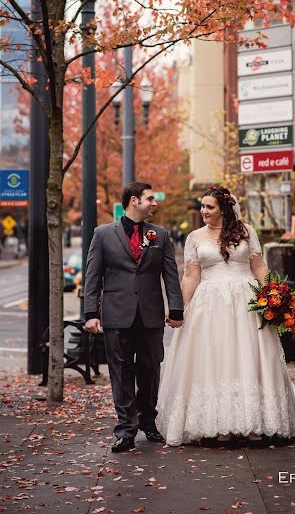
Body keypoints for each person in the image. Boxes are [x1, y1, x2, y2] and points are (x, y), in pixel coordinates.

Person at [156, 186, 295, 446]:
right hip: (209, 305)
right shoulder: (195, 237)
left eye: (209, 207)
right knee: (214, 358)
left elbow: (259, 266)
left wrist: (276, 295)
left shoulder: (246, 232)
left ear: (224, 208)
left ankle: (256, 420)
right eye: (202, 206)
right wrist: (180, 307)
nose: (204, 211)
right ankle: (217, 422)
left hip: (246, 302)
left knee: (249, 355)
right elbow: (191, 275)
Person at [84, 182, 184, 453]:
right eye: (150, 199)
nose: (155, 203)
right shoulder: (103, 234)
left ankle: (148, 421)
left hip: (150, 316)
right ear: (133, 201)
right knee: (121, 372)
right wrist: (91, 313)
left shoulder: (160, 235)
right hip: (116, 316)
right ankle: (126, 430)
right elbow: (93, 277)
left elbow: (170, 276)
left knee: (151, 370)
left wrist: (176, 309)